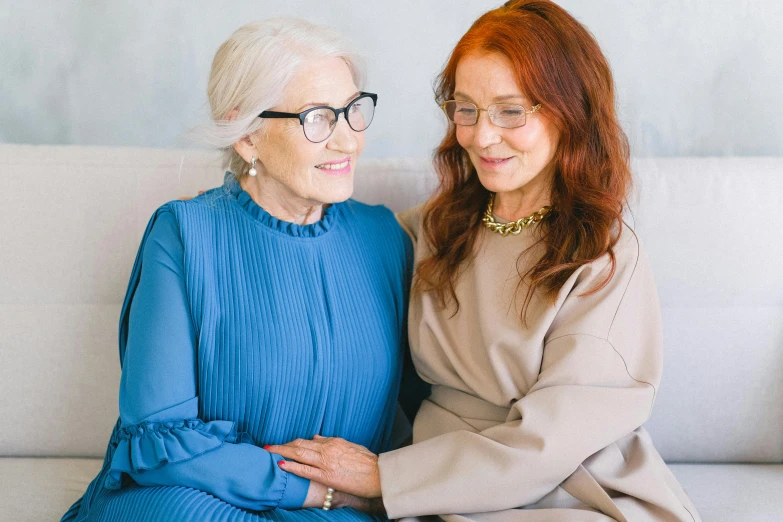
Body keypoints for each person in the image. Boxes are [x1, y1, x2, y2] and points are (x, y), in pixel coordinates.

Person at [266, 2, 702, 521]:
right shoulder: (436, 226)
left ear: (571, 113)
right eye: (466, 109)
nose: (481, 135)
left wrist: (385, 478)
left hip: (573, 487)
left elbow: (553, 441)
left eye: (510, 111)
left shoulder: (602, 254)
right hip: (442, 483)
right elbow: (325, 255)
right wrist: (252, 206)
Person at [62, 18, 412, 522]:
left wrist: (389, 487)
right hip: (199, 500)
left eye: (353, 111)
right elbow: (162, 440)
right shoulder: (184, 233)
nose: (348, 141)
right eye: (317, 118)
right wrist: (324, 493)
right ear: (248, 136)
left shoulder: (386, 238)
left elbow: (436, 404)